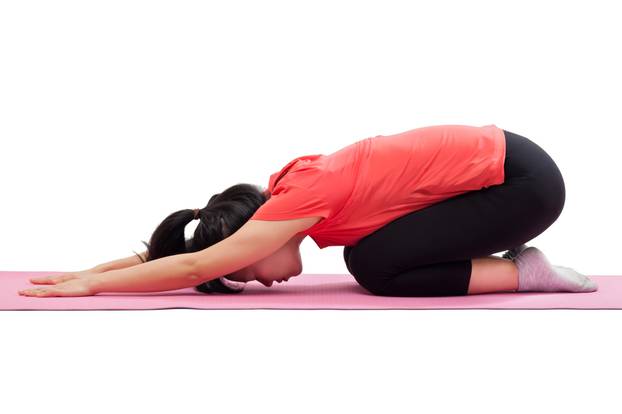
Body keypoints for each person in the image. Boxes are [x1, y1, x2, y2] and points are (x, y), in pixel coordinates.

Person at [26, 124, 598, 297]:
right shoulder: (296, 199)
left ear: (250, 234)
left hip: (524, 183)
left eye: (241, 269)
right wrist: (91, 270)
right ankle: (518, 266)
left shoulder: (297, 200)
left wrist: (92, 290)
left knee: (376, 266)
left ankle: (526, 272)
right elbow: (179, 254)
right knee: (369, 254)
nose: (254, 278)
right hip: (510, 175)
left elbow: (191, 267)